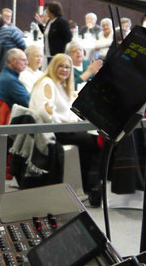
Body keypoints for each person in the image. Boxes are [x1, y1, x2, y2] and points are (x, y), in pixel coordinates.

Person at [29, 54, 102, 195]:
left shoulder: (61, 85)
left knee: (93, 140)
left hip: (63, 128)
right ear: (53, 67)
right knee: (93, 141)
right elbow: (45, 113)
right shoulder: (47, 83)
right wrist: (64, 123)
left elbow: (68, 110)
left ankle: (90, 183)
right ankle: (91, 185)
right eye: (61, 66)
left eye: (67, 67)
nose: (64, 70)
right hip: (52, 132)